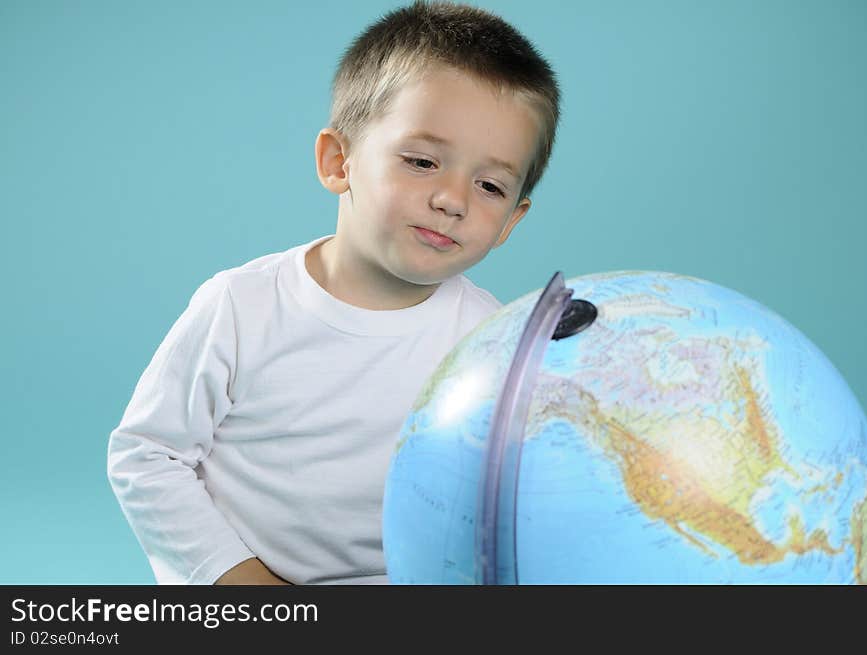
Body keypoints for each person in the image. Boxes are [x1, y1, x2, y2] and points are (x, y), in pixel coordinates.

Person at [107, 0, 561, 585]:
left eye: (490, 185)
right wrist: (237, 580)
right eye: (422, 161)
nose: (453, 199)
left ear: (511, 221)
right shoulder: (241, 307)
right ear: (338, 161)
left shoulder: (492, 342)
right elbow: (146, 457)